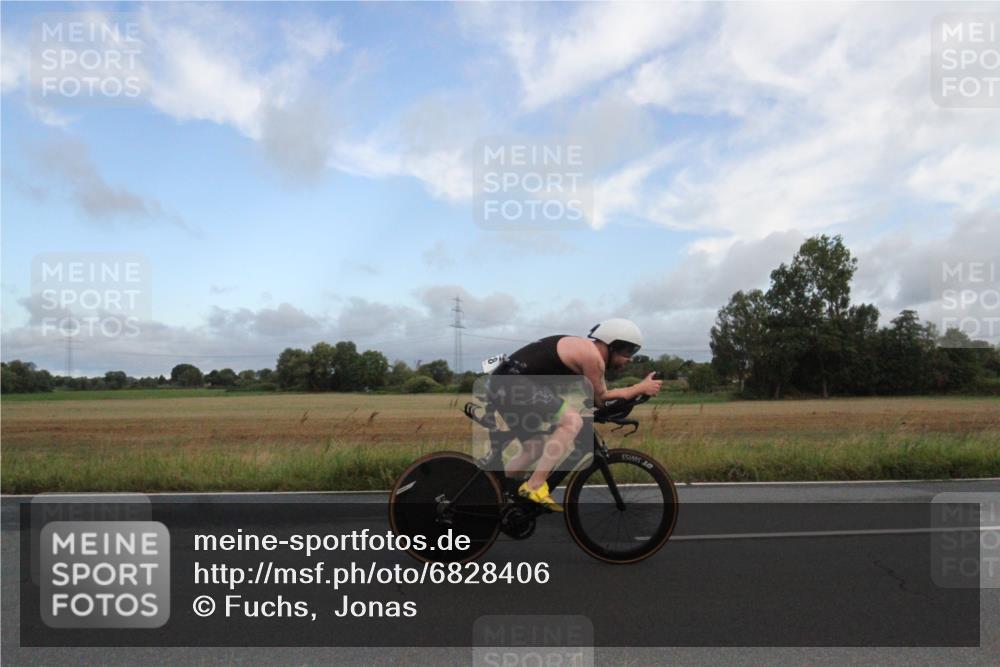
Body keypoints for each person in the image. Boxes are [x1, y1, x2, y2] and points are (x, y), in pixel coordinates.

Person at [488, 318, 662, 512]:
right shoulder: (592, 357)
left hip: (503, 383)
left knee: (534, 448)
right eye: (629, 351)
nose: (630, 358)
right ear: (613, 345)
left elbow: (591, 399)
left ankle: (492, 491)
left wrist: (633, 392)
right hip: (513, 383)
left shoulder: (582, 351)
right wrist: (639, 388)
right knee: (571, 421)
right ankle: (534, 486)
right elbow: (602, 398)